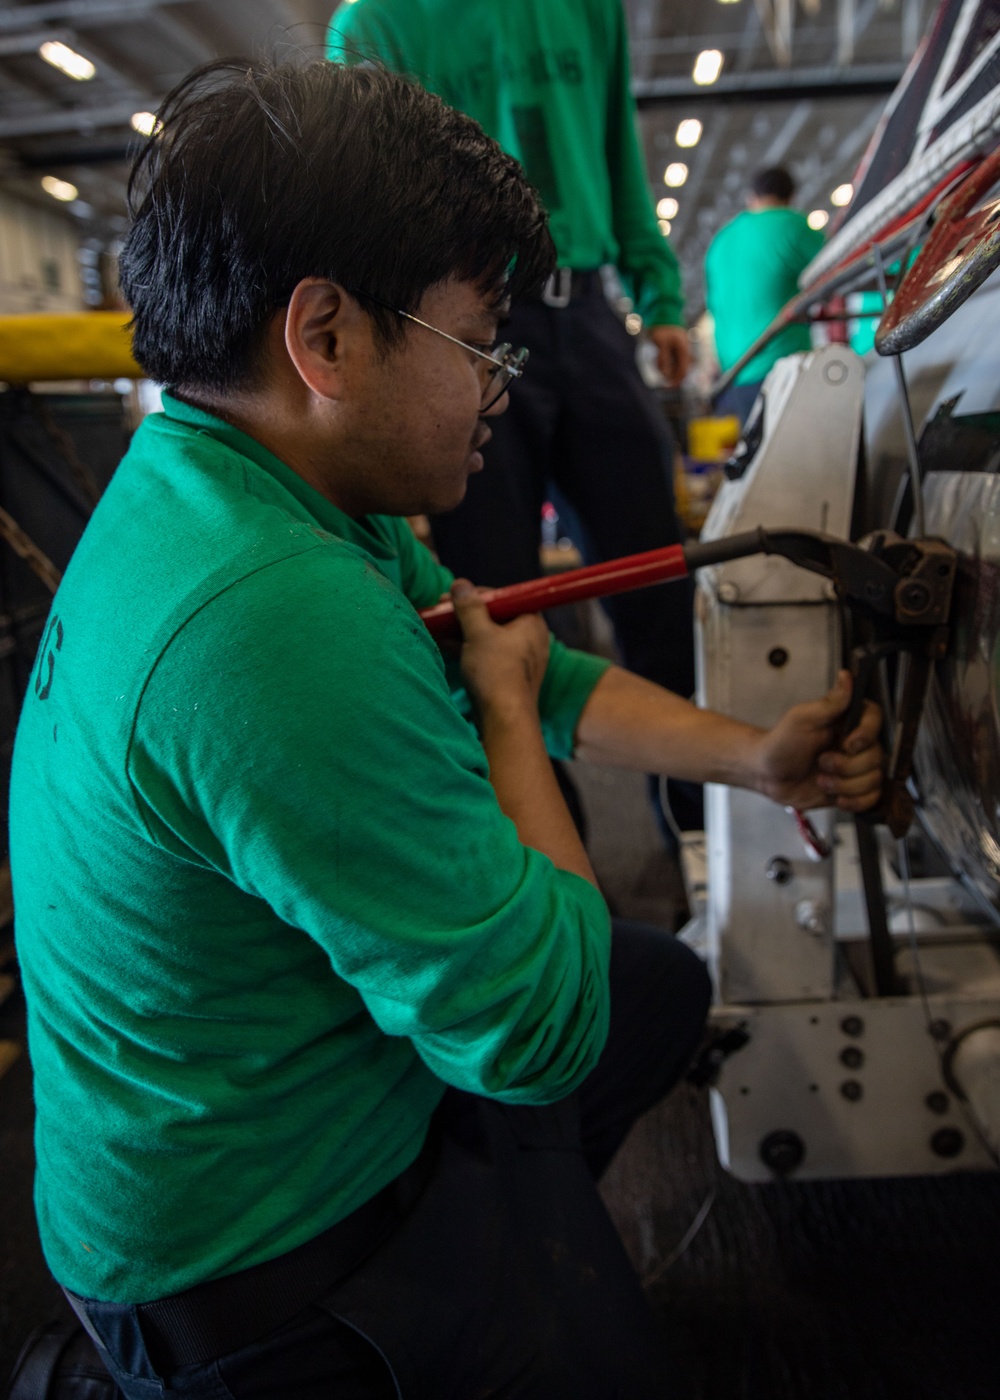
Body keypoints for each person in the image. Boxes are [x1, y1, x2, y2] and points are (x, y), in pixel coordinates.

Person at [9, 59, 883, 1400]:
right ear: (329, 337)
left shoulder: (242, 474)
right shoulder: (269, 615)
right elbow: (542, 1030)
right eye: (482, 342)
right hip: (254, 1269)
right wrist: (515, 722)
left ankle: (518, 1243)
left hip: (253, 1111)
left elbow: (506, 652)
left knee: (660, 985)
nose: (500, 389)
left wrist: (754, 757)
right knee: (591, 1023)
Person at [327, 0, 697, 712]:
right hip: (464, 324)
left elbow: (617, 149)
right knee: (493, 604)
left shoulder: (589, 10)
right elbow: (364, 207)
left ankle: (695, 816)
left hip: (586, 308)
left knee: (655, 575)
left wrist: (660, 295)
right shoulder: (374, 22)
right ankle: (529, 821)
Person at [705, 165, 825, 424]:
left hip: (736, 372)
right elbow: (838, 266)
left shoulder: (721, 240)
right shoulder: (792, 224)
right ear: (791, 198)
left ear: (752, 197)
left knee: (761, 458)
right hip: (782, 365)